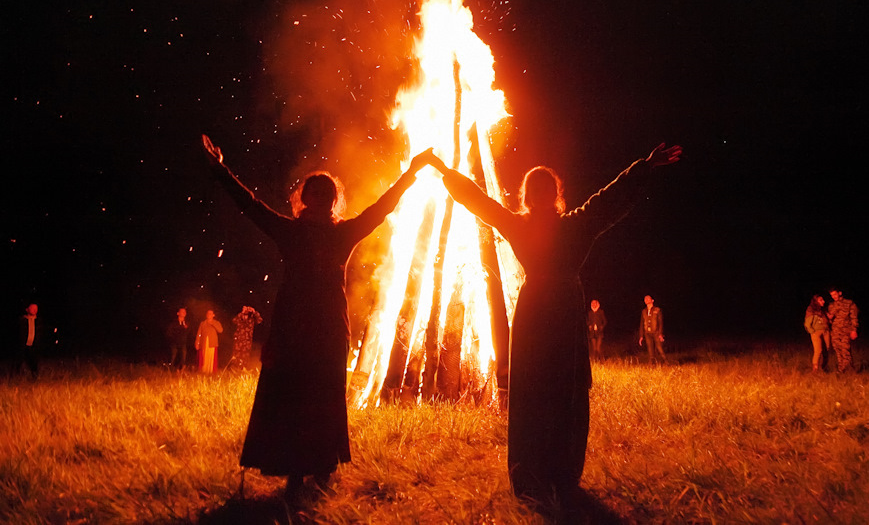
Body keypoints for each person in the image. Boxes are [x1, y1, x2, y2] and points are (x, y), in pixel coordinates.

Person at [424, 142, 682, 504]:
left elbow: (477, 200)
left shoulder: (518, 225)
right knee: (566, 391)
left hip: (533, 314)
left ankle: (528, 470)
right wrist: (645, 166)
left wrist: (441, 168)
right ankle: (562, 470)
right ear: (556, 196)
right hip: (561, 310)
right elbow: (612, 198)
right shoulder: (577, 225)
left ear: (527, 198)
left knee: (530, 391)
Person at [202, 134, 431, 499]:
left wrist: (412, 172)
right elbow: (251, 205)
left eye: (326, 193)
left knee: (324, 393)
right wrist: (221, 170)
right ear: (305, 198)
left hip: (325, 326)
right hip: (297, 324)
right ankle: (296, 469)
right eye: (316, 192)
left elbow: (382, 208)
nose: (321, 198)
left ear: (332, 199)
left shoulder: (342, 233)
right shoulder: (291, 230)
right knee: (295, 394)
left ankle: (321, 465)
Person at [827, 288, 859, 373]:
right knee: (838, 350)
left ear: (840, 293)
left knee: (845, 350)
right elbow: (830, 320)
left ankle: (849, 369)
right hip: (835, 331)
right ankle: (841, 369)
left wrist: (854, 330)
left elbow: (854, 318)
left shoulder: (849, 303)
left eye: (835, 294)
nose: (833, 297)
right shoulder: (831, 305)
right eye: (832, 295)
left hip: (846, 330)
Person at [803, 295, 831, 372]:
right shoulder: (811, 309)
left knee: (827, 350)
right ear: (816, 301)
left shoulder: (823, 310)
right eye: (821, 300)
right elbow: (807, 323)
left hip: (825, 331)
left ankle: (824, 368)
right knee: (818, 350)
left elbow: (827, 321)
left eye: (823, 300)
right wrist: (812, 331)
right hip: (816, 332)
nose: (823, 301)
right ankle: (815, 369)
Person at [14, 303, 42, 378]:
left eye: (36, 308)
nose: (35, 310)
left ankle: (35, 376)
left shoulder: (38, 321)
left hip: (33, 345)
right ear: (27, 309)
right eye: (32, 308)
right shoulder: (22, 320)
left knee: (34, 361)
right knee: (19, 360)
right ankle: (15, 375)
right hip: (22, 344)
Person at [639, 294, 667, 365]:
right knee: (650, 349)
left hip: (656, 332)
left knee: (659, 348)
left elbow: (661, 323)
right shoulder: (644, 311)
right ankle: (652, 363)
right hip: (647, 333)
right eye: (645, 299)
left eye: (648, 298)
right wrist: (641, 336)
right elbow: (641, 324)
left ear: (652, 300)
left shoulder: (657, 310)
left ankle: (666, 361)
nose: (646, 300)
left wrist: (660, 334)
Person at [196, 309, 224, 374]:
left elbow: (220, 330)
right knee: (204, 357)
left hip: (212, 343)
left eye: (211, 314)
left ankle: (211, 371)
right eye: (208, 313)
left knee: (211, 357)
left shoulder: (216, 322)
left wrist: (213, 324)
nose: (209, 315)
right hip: (204, 343)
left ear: (213, 315)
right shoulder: (203, 323)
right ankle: (204, 371)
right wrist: (197, 343)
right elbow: (199, 333)